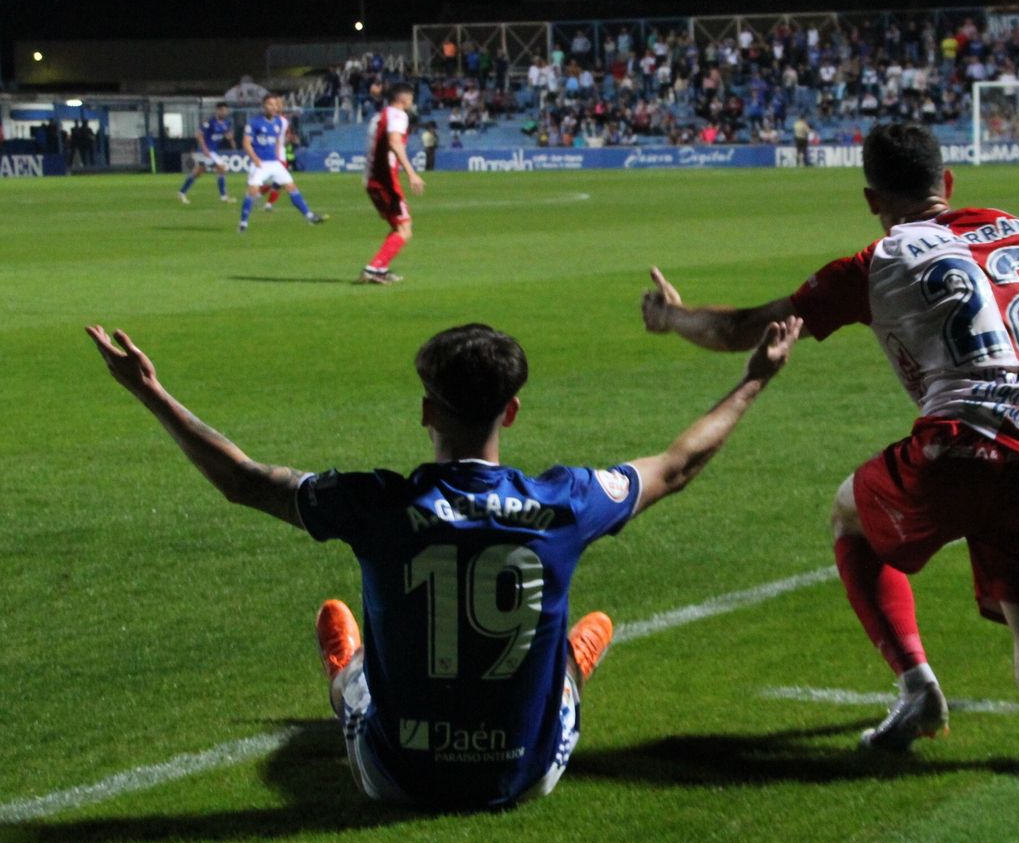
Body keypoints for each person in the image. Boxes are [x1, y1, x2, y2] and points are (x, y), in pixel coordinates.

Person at [639, 123, 1019, 843]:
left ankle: (916, 686)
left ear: (871, 199)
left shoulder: (874, 262)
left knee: (850, 517)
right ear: (948, 182)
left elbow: (740, 330)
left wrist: (670, 316)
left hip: (958, 452)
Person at [82, 317, 800, 810]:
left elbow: (244, 480)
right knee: (552, 663)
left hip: (396, 779)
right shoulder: (567, 501)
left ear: (427, 411)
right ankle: (570, 669)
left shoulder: (374, 504)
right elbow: (675, 466)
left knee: (360, 683)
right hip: (525, 776)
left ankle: (345, 673)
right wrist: (754, 378)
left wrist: (149, 391)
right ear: (511, 412)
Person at [361, 83, 426, 286]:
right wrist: (412, 173)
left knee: (398, 226)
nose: (412, 102)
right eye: (411, 98)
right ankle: (373, 268)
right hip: (385, 181)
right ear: (403, 99)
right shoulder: (398, 115)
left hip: (372, 179)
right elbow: (395, 142)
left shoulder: (378, 117)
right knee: (405, 229)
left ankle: (380, 269)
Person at [238, 94, 326, 232]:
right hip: (260, 163)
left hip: (274, 163)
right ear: (264, 106)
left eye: (275, 105)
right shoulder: (254, 123)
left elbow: (277, 141)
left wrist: (278, 157)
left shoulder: (278, 122)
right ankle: (243, 224)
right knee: (253, 191)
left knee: (291, 186)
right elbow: (246, 143)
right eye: (270, 104)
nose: (273, 107)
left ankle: (309, 216)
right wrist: (255, 159)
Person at [179, 102, 236, 204]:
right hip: (205, 151)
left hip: (212, 151)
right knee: (222, 168)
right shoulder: (209, 122)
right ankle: (223, 196)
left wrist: (231, 141)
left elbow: (228, 135)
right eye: (222, 110)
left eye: (225, 110)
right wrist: (204, 148)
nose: (224, 112)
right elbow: (198, 135)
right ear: (217, 111)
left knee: (198, 173)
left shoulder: (227, 123)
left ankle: (182, 192)